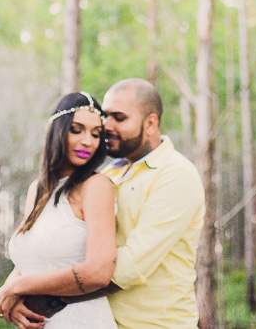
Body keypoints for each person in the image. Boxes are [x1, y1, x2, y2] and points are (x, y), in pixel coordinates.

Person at [12, 78, 206, 329]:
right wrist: (17, 287)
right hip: (101, 320)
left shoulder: (175, 175)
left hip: (154, 324)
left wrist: (40, 297)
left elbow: (129, 267)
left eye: (119, 118)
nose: (107, 126)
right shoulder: (107, 175)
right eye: (106, 116)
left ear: (150, 123)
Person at [0, 92, 119, 328]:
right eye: (76, 130)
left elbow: (100, 272)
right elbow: (33, 259)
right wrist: (12, 296)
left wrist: (18, 287)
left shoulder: (96, 186)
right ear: (57, 131)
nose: (87, 141)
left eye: (96, 134)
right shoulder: (37, 190)